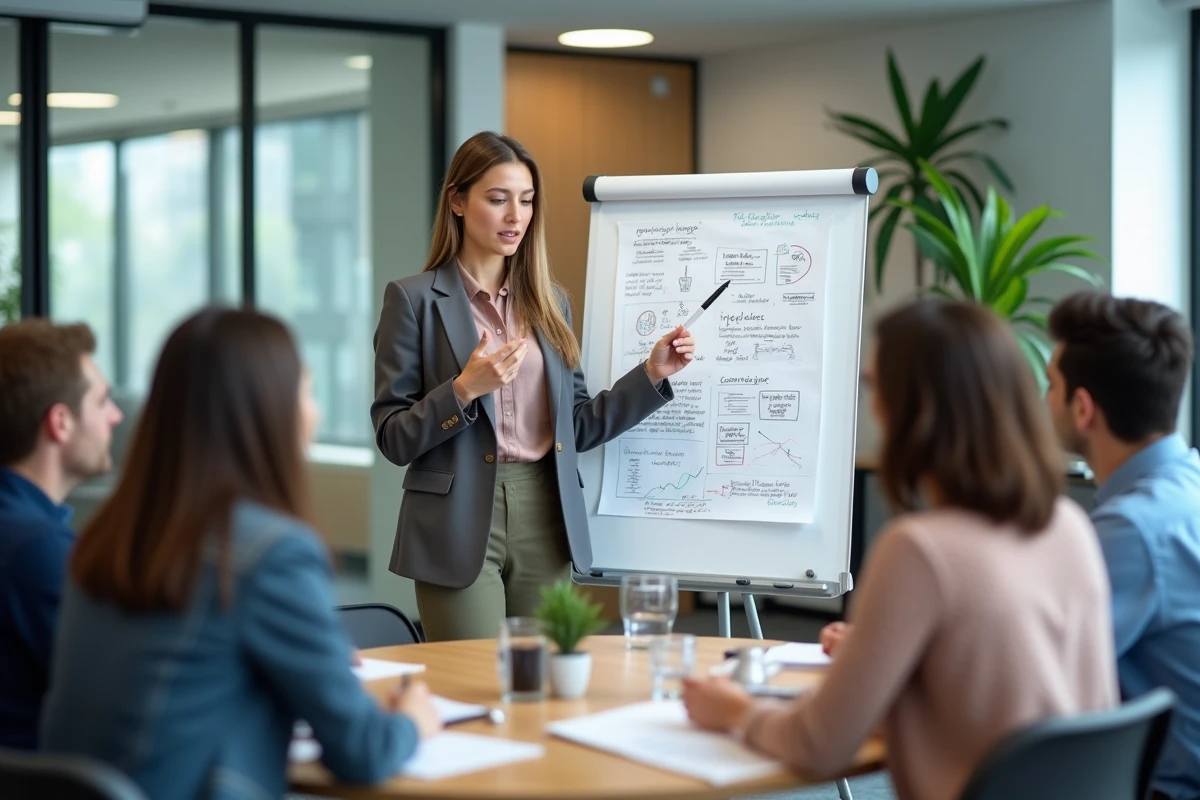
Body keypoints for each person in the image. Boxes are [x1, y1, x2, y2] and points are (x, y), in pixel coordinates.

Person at [682, 299, 1118, 800]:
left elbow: (820, 745)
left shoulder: (920, 551)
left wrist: (733, 709)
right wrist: (882, 655)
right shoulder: (1069, 527)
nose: (872, 407)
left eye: (876, 387)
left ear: (914, 411)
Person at [41, 308, 438, 797]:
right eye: (307, 391)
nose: (314, 412)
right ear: (268, 410)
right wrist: (414, 719)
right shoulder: (269, 553)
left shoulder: (108, 537)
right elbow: (362, 750)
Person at [372, 131, 695, 641]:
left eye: (525, 201)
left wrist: (651, 375)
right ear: (457, 200)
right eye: (497, 199)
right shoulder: (413, 301)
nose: (515, 216)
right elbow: (393, 436)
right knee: (474, 679)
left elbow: (578, 426)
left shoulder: (551, 303)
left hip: (546, 509)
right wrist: (462, 390)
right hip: (454, 519)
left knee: (544, 683)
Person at [1046, 291, 1200, 800]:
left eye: (1050, 386)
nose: (1044, 401)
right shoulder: (1190, 485)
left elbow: (1042, 668)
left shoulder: (1134, 529)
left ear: (1083, 407)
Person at [0, 320, 122, 749]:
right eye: (103, 401)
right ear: (61, 422)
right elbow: (127, 697)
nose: (116, 415)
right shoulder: (38, 551)